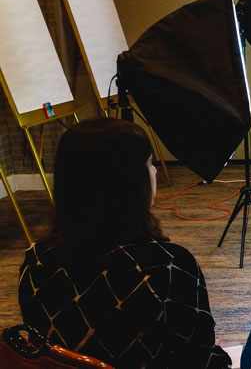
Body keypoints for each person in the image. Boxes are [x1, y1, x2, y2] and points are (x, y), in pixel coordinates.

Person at [18, 118, 232, 369]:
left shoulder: (35, 262)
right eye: (150, 164)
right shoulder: (169, 267)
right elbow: (199, 362)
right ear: (128, 182)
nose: (155, 172)